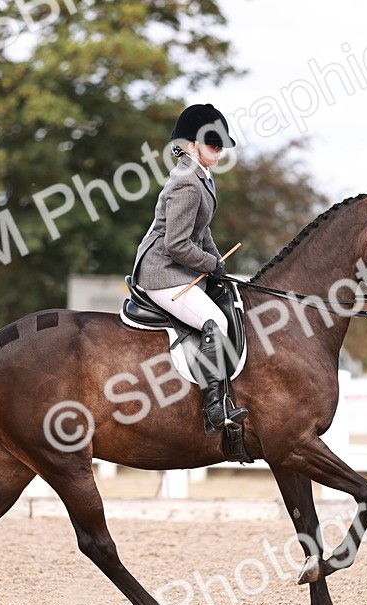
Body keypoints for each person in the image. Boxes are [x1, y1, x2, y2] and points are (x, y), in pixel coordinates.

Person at [132, 103, 248, 433]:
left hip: (178, 268)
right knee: (215, 320)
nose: (220, 150)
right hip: (162, 271)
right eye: (213, 144)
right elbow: (177, 245)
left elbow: (202, 230)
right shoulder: (187, 182)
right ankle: (214, 408)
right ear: (193, 145)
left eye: (221, 145)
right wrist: (210, 265)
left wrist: (218, 262)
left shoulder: (201, 176)